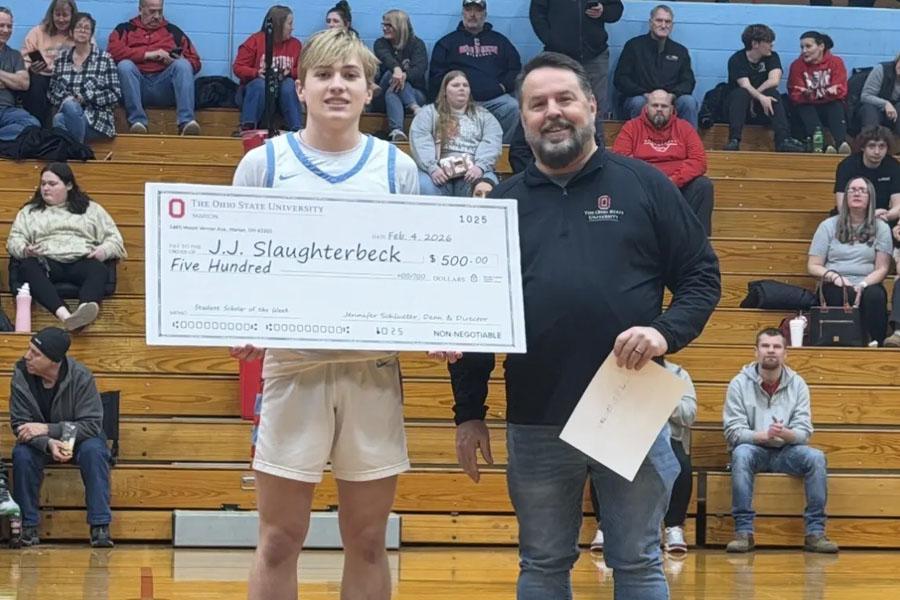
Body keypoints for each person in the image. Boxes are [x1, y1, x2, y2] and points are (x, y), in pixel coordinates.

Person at [443, 51, 720, 599]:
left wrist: (664, 332)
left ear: (592, 106)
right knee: (542, 564)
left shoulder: (644, 186)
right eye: (537, 103)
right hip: (536, 417)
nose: (553, 112)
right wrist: (468, 412)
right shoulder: (499, 205)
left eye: (565, 98)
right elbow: (473, 317)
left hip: (629, 408)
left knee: (638, 562)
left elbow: (702, 277)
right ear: (521, 118)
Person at [229, 28, 419, 600]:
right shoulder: (263, 165)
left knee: (366, 540)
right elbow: (235, 267)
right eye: (324, 75)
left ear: (369, 91)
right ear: (301, 86)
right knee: (279, 539)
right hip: (293, 369)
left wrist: (439, 327)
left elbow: (418, 272)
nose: (337, 86)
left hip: (372, 370)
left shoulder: (398, 170)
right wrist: (240, 325)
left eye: (350, 76)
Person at [723, 328, 839, 554]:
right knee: (741, 454)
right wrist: (763, 435)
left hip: (787, 451)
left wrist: (786, 434)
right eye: (766, 346)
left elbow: (804, 431)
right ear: (755, 351)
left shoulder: (798, 384)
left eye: (777, 347)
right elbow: (733, 432)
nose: (771, 351)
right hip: (754, 450)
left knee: (816, 458)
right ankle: (743, 532)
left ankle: (815, 533)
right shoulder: (738, 384)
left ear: (786, 353)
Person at [10, 327, 113, 548]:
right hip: (43, 442)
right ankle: (27, 526)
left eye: (35, 354)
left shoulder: (81, 376)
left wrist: (48, 429)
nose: (27, 356)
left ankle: (100, 526)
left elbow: (92, 425)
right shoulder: (20, 374)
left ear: (54, 361)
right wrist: (47, 443)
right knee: (22, 455)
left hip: (81, 438)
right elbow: (20, 425)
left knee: (95, 451)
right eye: (29, 349)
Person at [587, 359, 696, 557]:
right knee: (601, 460)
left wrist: (662, 398)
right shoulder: (619, 368)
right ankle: (605, 526)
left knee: (681, 464)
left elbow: (689, 415)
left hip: (666, 437)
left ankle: (673, 527)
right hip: (626, 434)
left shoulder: (679, 373)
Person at [6, 162, 127, 332]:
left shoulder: (92, 210)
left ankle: (84, 312)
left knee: (99, 269)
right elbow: (13, 241)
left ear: (69, 185)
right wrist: (26, 250)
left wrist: (103, 251)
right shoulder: (29, 212)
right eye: (43, 184)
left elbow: (115, 240)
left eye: (52, 184)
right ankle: (66, 317)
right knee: (28, 267)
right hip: (47, 262)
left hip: (82, 260)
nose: (46, 188)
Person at [611, 89, 714, 235]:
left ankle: (698, 244)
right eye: (655, 105)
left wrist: (673, 181)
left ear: (672, 109)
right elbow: (620, 159)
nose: (659, 110)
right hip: (643, 188)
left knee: (703, 185)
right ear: (646, 107)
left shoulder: (685, 128)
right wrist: (652, 181)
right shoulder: (631, 128)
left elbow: (698, 161)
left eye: (664, 106)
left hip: (678, 187)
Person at [808, 177, 892, 346]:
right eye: (852, 190)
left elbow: (882, 268)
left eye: (862, 190)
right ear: (845, 196)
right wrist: (834, 277)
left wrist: (862, 285)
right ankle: (839, 342)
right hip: (835, 282)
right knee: (836, 292)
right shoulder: (828, 226)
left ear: (870, 197)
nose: (856, 193)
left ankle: (876, 342)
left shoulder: (881, 227)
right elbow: (813, 265)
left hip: (867, 282)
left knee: (875, 295)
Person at [429, 0, 522, 143]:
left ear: (484, 14)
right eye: (468, 10)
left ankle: (501, 151)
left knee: (513, 108)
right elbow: (436, 75)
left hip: (495, 101)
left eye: (477, 10)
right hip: (459, 102)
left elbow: (515, 69)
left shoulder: (501, 41)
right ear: (463, 13)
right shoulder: (447, 43)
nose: (473, 15)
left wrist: (502, 87)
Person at [107, 0, 202, 135]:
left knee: (183, 65)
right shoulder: (124, 30)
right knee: (125, 66)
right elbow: (112, 53)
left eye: (160, 11)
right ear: (140, 10)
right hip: (137, 87)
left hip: (165, 87)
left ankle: (186, 123)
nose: (157, 16)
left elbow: (196, 63)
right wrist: (148, 55)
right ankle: (137, 123)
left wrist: (175, 61)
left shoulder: (174, 32)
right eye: (152, 11)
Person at [410, 70, 502, 197]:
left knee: (486, 184)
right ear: (445, 91)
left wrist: (480, 167)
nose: (461, 89)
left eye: (465, 85)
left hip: (473, 169)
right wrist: (432, 168)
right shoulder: (428, 113)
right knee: (423, 184)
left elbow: (492, 140)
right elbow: (420, 140)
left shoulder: (484, 116)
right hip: (438, 170)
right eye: (456, 85)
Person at [528, 0, 624, 119]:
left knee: (595, 105)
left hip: (595, 55)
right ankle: (563, 137)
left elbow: (616, 9)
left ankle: (595, 137)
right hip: (559, 56)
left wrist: (603, 11)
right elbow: (537, 15)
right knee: (559, 103)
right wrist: (552, 40)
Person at [613, 5, 698, 129]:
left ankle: (690, 146)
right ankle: (639, 144)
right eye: (659, 20)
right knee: (638, 102)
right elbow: (621, 79)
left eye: (667, 21)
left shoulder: (680, 51)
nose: (663, 25)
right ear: (650, 22)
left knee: (688, 102)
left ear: (672, 25)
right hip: (641, 98)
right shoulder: (633, 46)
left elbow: (688, 81)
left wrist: (672, 96)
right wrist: (645, 94)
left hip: (671, 101)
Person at [723, 24, 804, 153]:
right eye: (768, 42)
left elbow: (774, 81)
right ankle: (734, 139)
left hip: (763, 108)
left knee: (772, 93)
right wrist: (759, 97)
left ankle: (783, 140)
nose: (772, 45)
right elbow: (745, 85)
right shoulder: (737, 59)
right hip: (739, 108)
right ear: (755, 43)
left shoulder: (772, 56)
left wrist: (759, 98)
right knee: (741, 93)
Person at [48, 12, 120, 143]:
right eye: (78, 26)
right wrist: (65, 99)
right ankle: (79, 150)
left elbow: (114, 94)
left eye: (86, 28)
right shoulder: (61, 59)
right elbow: (52, 92)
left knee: (61, 118)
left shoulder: (105, 59)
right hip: (67, 114)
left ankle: (73, 152)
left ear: (91, 33)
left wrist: (85, 98)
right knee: (62, 115)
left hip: (97, 120)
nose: (82, 30)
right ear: (71, 32)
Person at [232, 5, 303, 133]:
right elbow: (238, 67)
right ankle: (247, 127)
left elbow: (305, 70)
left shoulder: (296, 45)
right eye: (290, 23)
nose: (292, 28)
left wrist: (290, 72)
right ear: (279, 24)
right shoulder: (254, 41)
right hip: (257, 91)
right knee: (259, 84)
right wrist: (256, 73)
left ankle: (296, 129)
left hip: (283, 92)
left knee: (289, 85)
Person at [787, 31, 849, 154]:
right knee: (806, 109)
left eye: (808, 46)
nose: (804, 50)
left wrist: (832, 92)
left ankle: (841, 144)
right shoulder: (797, 65)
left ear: (821, 46)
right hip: (807, 103)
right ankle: (824, 147)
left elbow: (841, 89)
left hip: (829, 103)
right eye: (802, 47)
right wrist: (806, 94)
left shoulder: (836, 62)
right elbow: (794, 92)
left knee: (836, 106)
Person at [20, 0, 77, 127]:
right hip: (41, 77)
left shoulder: (78, 32)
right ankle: (37, 129)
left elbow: (89, 54)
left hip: (68, 79)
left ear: (72, 16)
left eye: (65, 15)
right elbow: (24, 59)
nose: (61, 19)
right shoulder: (37, 32)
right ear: (51, 15)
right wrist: (31, 67)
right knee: (36, 81)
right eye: (57, 14)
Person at [373, 9, 427, 142]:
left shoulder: (417, 44)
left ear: (400, 26)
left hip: (415, 94)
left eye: (389, 25)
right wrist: (396, 69)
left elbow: (419, 70)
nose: (384, 28)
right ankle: (415, 109)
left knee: (392, 91)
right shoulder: (380, 43)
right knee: (391, 75)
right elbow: (386, 57)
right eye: (384, 25)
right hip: (381, 98)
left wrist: (403, 76)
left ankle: (396, 130)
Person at [833, 126, 900, 215]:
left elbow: (898, 207)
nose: (877, 151)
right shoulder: (847, 165)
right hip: (850, 217)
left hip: (881, 216)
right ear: (863, 147)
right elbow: (841, 207)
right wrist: (868, 219)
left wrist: (885, 217)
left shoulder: (893, 166)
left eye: (882, 146)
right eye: (872, 146)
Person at [0, 7, 40, 141]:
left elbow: (23, 83)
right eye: (1, 25)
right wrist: (10, 80)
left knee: (32, 125)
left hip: (7, 112)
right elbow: (16, 81)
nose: (6, 30)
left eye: (9, 26)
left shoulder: (15, 55)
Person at [858, 54, 900, 135]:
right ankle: (871, 142)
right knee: (869, 110)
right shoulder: (882, 70)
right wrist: (885, 104)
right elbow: (865, 96)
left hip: (895, 115)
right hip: (874, 109)